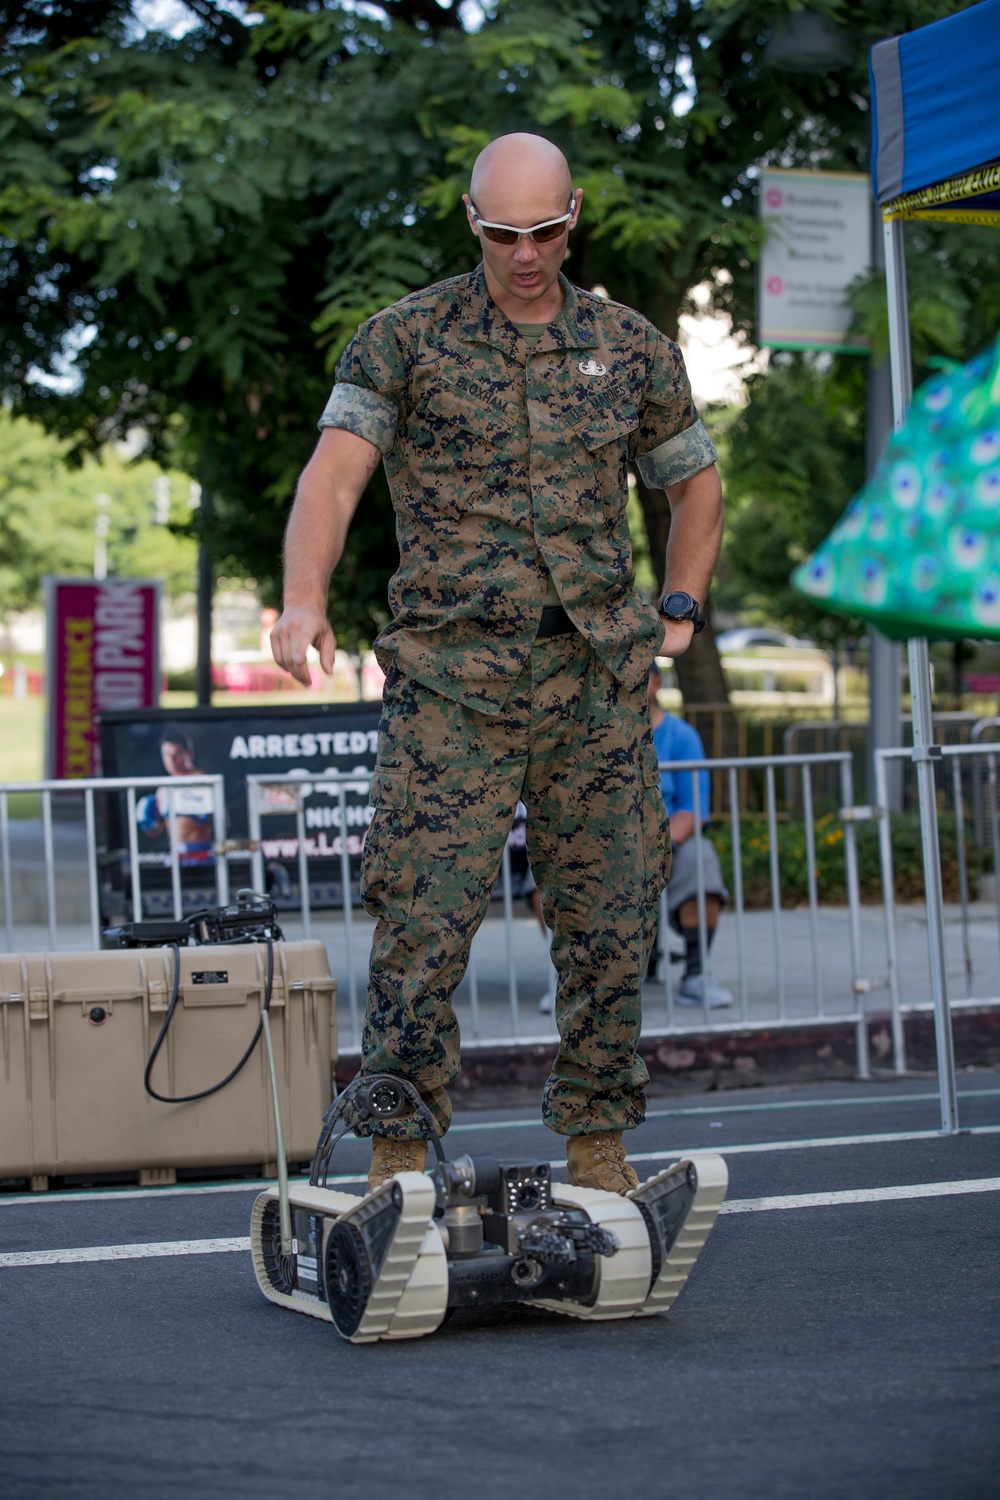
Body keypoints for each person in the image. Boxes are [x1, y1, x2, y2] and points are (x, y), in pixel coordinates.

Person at [270, 133, 723, 1196]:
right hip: (450, 687)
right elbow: (333, 480)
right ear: (473, 222)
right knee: (422, 927)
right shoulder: (406, 339)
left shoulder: (631, 345)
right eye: (504, 233)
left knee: (612, 922)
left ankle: (599, 1148)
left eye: (547, 230)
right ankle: (396, 1151)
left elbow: (691, 483)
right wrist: (301, 598)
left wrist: (679, 610)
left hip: (593, 685)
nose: (527, 254)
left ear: (575, 215)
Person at [647, 664, 733, 1008]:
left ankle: (696, 974)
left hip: (668, 840)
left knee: (703, 860)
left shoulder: (681, 736)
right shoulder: (599, 733)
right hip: (611, 843)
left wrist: (659, 848)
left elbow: (693, 806)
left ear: (657, 682)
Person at [136, 728, 215, 866]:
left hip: (201, 854)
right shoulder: (164, 789)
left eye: (176, 753)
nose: (171, 759)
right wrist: (148, 823)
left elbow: (223, 822)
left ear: (189, 754)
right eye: (166, 754)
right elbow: (157, 830)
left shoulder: (203, 782)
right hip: (176, 854)